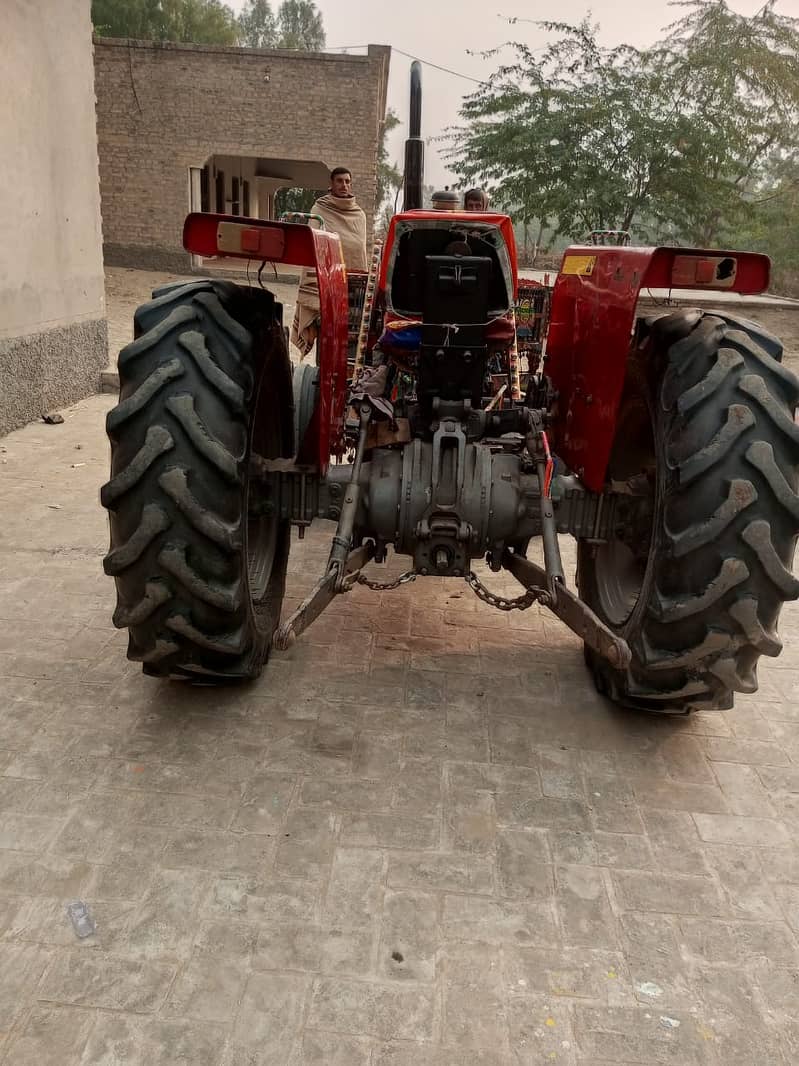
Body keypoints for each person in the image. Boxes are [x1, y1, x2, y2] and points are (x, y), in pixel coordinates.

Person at [291, 167, 368, 359]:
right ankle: (322, 375)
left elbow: (360, 250)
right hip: (327, 283)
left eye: (347, 181)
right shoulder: (319, 210)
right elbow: (313, 246)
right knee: (327, 331)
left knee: (351, 334)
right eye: (340, 181)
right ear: (331, 184)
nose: (344, 185)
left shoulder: (359, 214)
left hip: (353, 284)